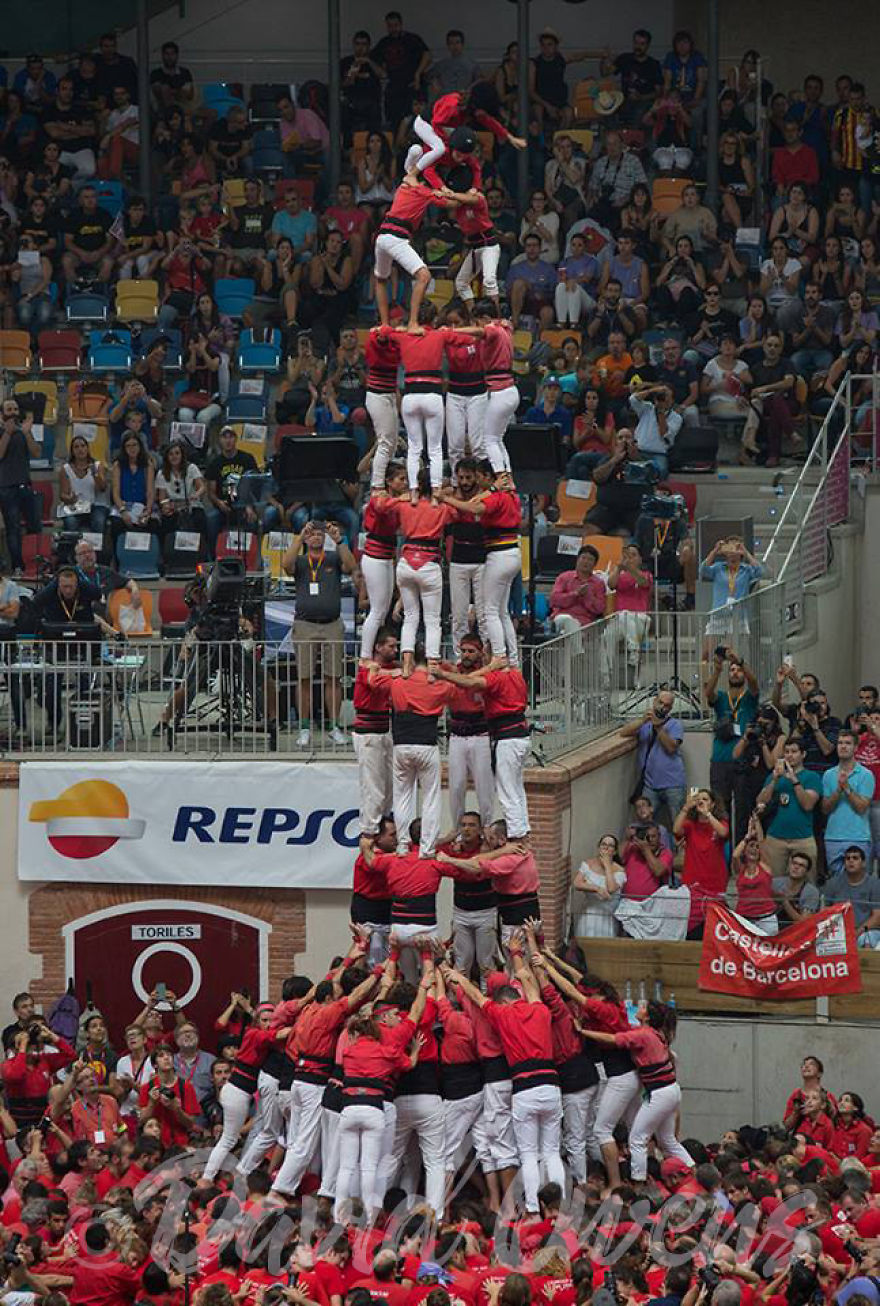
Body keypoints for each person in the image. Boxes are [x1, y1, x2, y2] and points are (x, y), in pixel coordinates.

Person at [444, 944, 564, 1216]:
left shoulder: (501, 1014)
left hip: (521, 1086)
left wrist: (458, 976)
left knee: (527, 1154)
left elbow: (476, 996)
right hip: (551, 1086)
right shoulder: (540, 1010)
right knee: (551, 1152)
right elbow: (529, 982)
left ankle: (531, 1210)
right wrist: (518, 953)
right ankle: (560, 1206)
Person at [580, 998, 694, 1185]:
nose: (638, 1008)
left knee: (637, 1139)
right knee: (668, 1141)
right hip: (670, 1090)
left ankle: (638, 1183)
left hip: (659, 1093)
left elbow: (613, 1040)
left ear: (647, 1017)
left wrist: (582, 1031)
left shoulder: (643, 1035)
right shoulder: (654, 1033)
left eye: (643, 1007)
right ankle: (693, 1171)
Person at [283, 520, 356, 747]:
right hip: (305, 624)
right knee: (304, 677)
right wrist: (299, 536)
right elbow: (286, 565)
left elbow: (351, 566)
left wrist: (339, 540)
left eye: (319, 534)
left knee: (333, 677)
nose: (316, 536)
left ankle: (334, 727)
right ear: (307, 538)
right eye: (311, 534)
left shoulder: (333, 558)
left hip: (332, 624)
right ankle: (305, 728)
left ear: (324, 538)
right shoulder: (301, 561)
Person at [439, 462, 521, 665]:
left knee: (489, 613)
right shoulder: (510, 494)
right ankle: (510, 660)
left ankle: (495, 657)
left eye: (473, 476)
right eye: (462, 477)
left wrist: (446, 499)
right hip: (506, 553)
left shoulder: (495, 496)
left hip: (493, 556)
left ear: (485, 476)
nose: (468, 481)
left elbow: (474, 506)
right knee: (498, 613)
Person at [445, 635, 495, 831]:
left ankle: (487, 828)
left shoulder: (487, 675)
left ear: (480, 653)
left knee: (484, 787)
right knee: (456, 786)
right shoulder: (452, 672)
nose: (466, 655)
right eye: (463, 651)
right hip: (457, 736)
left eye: (471, 651)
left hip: (480, 736)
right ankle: (457, 830)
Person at [440, 812, 497, 976]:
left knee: (486, 963)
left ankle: (487, 991)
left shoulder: (488, 851)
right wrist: (448, 838)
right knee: (462, 962)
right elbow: (430, 850)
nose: (466, 829)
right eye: (463, 825)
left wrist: (489, 840)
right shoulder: (454, 849)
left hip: (485, 914)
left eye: (472, 825)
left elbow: (476, 872)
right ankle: (460, 992)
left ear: (479, 829)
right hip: (461, 913)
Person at [756, 738, 822, 877]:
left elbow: (808, 804)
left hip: (803, 838)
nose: (789, 755)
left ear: (803, 754)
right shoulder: (774, 776)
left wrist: (794, 779)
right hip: (775, 838)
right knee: (773, 881)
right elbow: (760, 801)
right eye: (786, 752)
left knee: (807, 880)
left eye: (794, 751)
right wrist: (774, 780)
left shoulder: (812, 777)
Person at [705, 647, 760, 810]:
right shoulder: (722, 697)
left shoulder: (749, 698)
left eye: (739, 670)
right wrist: (717, 669)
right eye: (732, 670)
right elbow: (708, 693)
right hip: (720, 758)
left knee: (744, 807)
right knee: (720, 807)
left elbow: (754, 683)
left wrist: (740, 661)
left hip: (742, 759)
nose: (735, 673)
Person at [446, 458, 489, 659]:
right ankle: (459, 658)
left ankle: (486, 657)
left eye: (468, 477)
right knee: (458, 616)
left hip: (482, 560)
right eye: (461, 477)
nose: (464, 482)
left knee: (484, 615)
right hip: (458, 560)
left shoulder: (485, 497)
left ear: (476, 477)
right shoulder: (450, 495)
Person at [673, 789, 730, 939]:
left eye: (705, 799)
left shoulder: (720, 823)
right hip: (693, 883)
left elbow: (723, 833)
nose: (701, 801)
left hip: (714, 883)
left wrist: (708, 814)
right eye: (698, 799)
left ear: (712, 804)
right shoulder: (690, 825)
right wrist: (686, 807)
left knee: (715, 927)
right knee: (692, 929)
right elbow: (676, 830)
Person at [821, 729, 875, 875]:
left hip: (858, 837)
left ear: (856, 748)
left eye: (847, 743)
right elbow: (825, 809)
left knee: (859, 881)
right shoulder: (828, 775)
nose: (843, 746)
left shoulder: (866, 775)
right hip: (833, 837)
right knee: (836, 882)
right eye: (840, 743)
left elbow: (862, 807)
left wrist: (847, 788)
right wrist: (838, 790)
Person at [0, 396, 41, 574]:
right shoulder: (2, 431)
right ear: (2, 414)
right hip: (6, 488)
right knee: (13, 529)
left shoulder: (24, 431)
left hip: (25, 485)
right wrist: (7, 433)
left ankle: (36, 565)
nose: (13, 413)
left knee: (35, 526)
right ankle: (18, 566)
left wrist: (26, 433)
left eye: (15, 409)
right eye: (9, 410)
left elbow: (37, 452)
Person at [604, 543, 653, 689]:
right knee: (605, 638)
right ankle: (606, 675)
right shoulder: (619, 575)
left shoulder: (646, 574)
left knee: (626, 615)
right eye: (627, 555)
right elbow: (611, 584)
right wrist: (619, 567)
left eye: (633, 555)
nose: (630, 558)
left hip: (640, 617)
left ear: (640, 559)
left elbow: (643, 583)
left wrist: (630, 568)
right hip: (620, 619)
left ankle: (634, 652)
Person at [571, 834, 626, 938]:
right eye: (603, 844)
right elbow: (577, 883)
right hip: (589, 913)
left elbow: (611, 888)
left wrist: (607, 865)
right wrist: (596, 888)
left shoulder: (619, 870)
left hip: (607, 915)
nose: (606, 847)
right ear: (599, 847)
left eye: (610, 845)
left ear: (614, 851)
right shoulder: (588, 864)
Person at [824, 847, 880, 947]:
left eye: (855, 858)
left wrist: (856, 933)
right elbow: (825, 911)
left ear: (863, 863)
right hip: (838, 930)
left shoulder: (875, 884)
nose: (851, 861)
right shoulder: (832, 883)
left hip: (865, 930)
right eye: (847, 858)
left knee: (867, 938)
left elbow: (877, 917)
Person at [733, 815, 779, 935]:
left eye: (757, 847)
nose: (754, 849)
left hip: (766, 919)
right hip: (744, 918)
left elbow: (762, 842)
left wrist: (757, 820)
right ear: (745, 849)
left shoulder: (765, 865)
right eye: (751, 846)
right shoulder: (740, 869)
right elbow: (735, 855)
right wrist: (747, 836)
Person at [549, 544, 607, 634]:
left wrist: (588, 596)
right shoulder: (564, 577)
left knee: (577, 628)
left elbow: (600, 608)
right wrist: (575, 594)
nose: (586, 562)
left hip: (585, 623)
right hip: (562, 618)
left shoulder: (598, 583)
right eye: (583, 558)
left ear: (595, 564)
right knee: (568, 621)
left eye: (590, 559)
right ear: (577, 560)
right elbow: (554, 600)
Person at [773, 851, 821, 930]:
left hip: (796, 932)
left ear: (806, 871)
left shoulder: (811, 892)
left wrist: (784, 902)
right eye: (794, 863)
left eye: (801, 865)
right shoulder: (775, 883)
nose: (796, 867)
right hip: (771, 927)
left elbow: (804, 924)